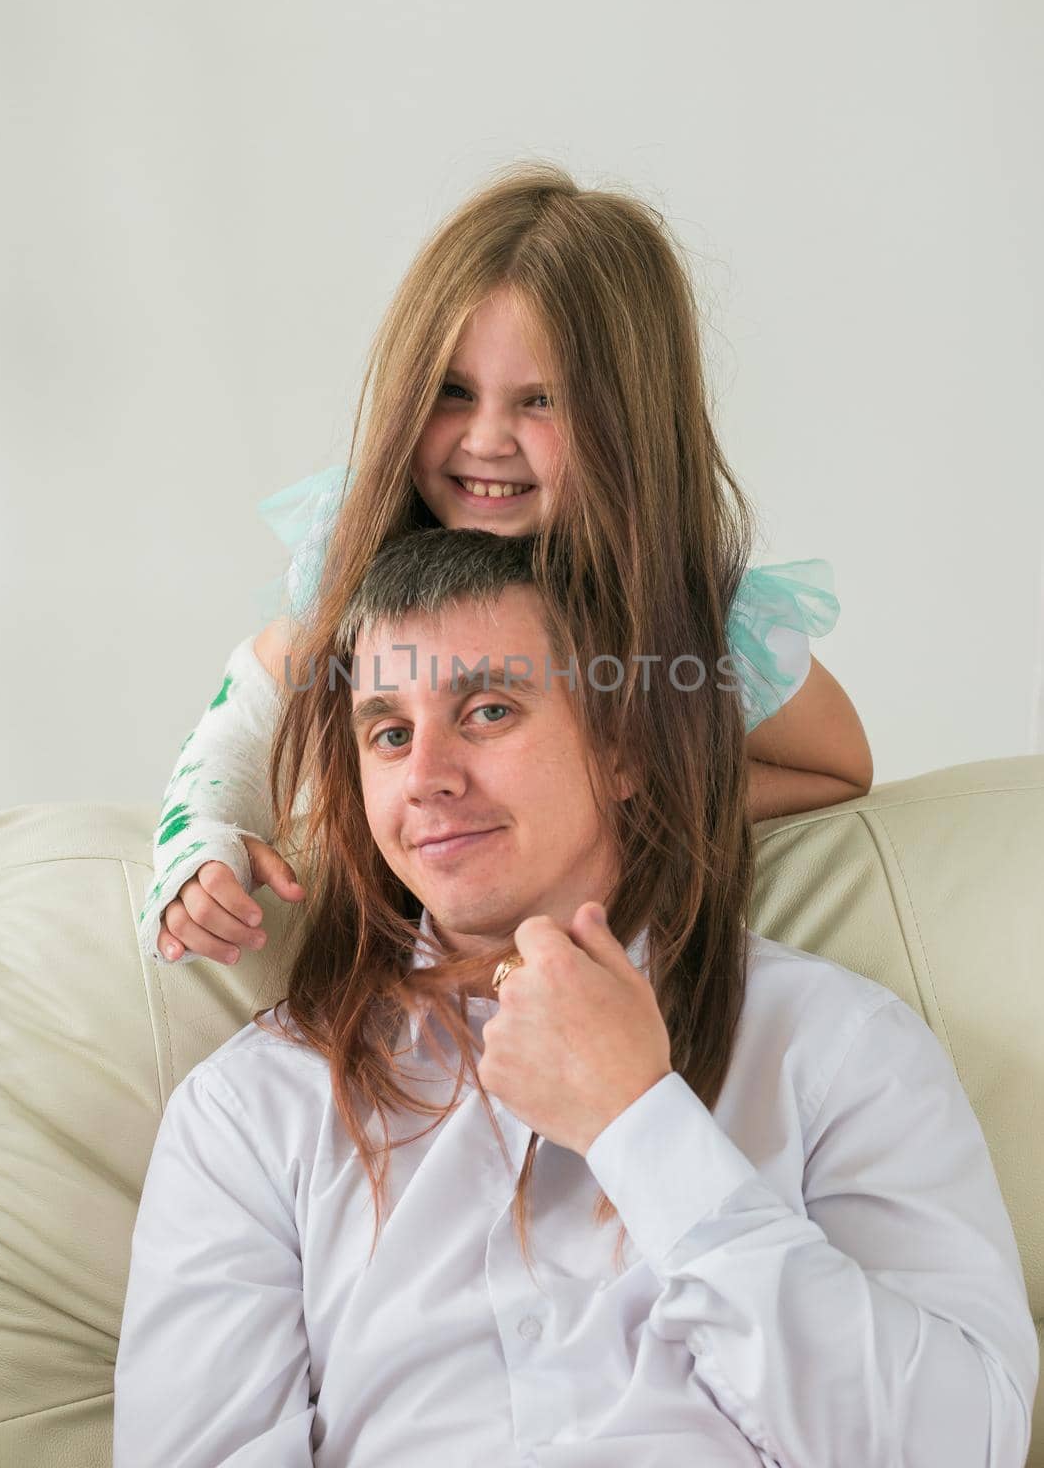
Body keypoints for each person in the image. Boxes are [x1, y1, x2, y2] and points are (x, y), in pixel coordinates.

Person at [114, 528, 1037, 1468]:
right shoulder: (252, 1109)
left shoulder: (836, 1045)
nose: (427, 775)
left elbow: (959, 1446)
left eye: (486, 711)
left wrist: (642, 1128)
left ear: (624, 749)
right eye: (389, 733)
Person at [136, 160, 872, 970]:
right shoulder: (360, 559)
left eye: (539, 400)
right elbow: (253, 706)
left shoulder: (701, 615)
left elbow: (834, 767)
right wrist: (202, 839)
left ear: (628, 422)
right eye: (452, 392)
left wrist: (607, 799)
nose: (485, 440)